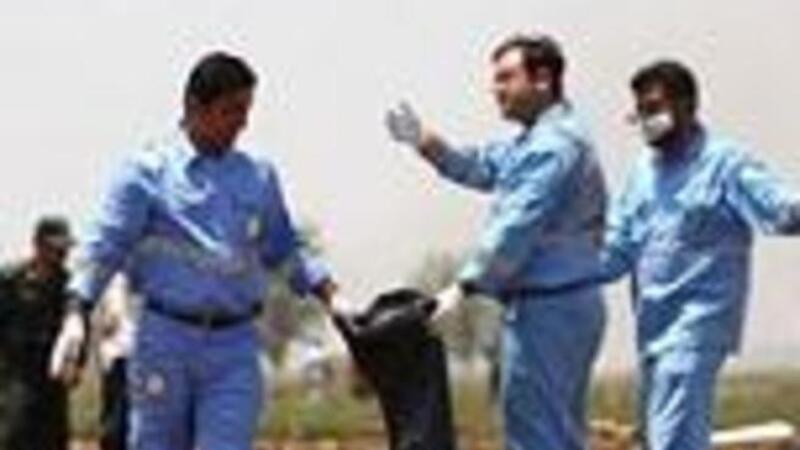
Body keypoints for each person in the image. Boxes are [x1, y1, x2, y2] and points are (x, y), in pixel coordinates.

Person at [49, 51, 343, 450]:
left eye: (246, 110)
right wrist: (76, 313)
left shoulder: (258, 177)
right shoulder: (146, 174)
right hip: (165, 341)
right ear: (194, 107)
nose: (241, 122)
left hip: (234, 347)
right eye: (231, 110)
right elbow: (104, 247)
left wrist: (333, 297)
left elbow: (286, 249)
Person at [386, 33, 607, 450]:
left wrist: (464, 286)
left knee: (538, 436)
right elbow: (480, 166)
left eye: (506, 77)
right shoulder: (536, 141)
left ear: (542, 79)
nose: (496, 89)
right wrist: (424, 141)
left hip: (550, 308)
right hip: (555, 306)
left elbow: (515, 227)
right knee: (555, 432)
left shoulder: (554, 148)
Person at [601, 60, 800, 450]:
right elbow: (616, 248)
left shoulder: (724, 164)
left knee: (673, 438)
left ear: (688, 105)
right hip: (653, 329)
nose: (648, 121)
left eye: (655, 108)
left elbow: (780, 210)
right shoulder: (643, 173)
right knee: (662, 436)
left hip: (698, 325)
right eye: (641, 112)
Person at [0, 216, 75, 450]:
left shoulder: (68, 285)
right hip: (17, 374)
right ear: (39, 245)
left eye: (65, 250)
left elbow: (76, 328)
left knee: (52, 439)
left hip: (53, 378)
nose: (62, 255)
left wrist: (76, 364)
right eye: (56, 249)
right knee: (16, 433)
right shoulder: (10, 279)